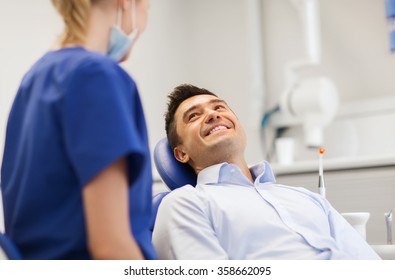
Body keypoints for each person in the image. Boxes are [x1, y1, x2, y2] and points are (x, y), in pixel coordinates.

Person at [152, 84, 381, 260]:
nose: (213, 115)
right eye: (194, 116)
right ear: (181, 154)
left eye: (219, 107)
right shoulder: (184, 204)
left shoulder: (306, 197)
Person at [0, 0, 156, 260]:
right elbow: (110, 247)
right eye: (146, 8)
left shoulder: (36, 77)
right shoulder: (98, 76)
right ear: (126, 3)